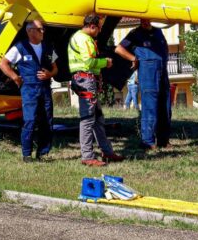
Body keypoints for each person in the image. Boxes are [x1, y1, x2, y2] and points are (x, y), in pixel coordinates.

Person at [0, 18, 58, 162]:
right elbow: (3, 63)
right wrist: (15, 77)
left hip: (44, 88)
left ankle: (43, 153)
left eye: (43, 29)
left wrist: (50, 74)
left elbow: (56, 68)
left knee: (46, 120)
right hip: (29, 89)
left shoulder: (48, 46)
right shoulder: (20, 47)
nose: (43, 32)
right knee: (30, 120)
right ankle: (26, 154)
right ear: (30, 31)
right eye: (39, 29)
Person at [69, 13, 124, 167]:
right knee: (87, 119)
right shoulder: (83, 39)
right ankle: (87, 156)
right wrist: (104, 62)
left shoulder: (81, 38)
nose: (100, 31)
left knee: (97, 118)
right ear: (92, 26)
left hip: (85, 80)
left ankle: (107, 151)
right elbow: (88, 61)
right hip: (85, 80)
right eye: (99, 28)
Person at [115, 18, 171, 149]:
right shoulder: (135, 33)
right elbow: (119, 49)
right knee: (149, 107)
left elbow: (165, 46)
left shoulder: (158, 31)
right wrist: (134, 58)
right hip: (148, 72)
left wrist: (165, 59)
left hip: (162, 71)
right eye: (143, 20)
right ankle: (148, 141)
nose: (145, 22)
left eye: (148, 20)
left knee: (165, 106)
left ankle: (163, 140)